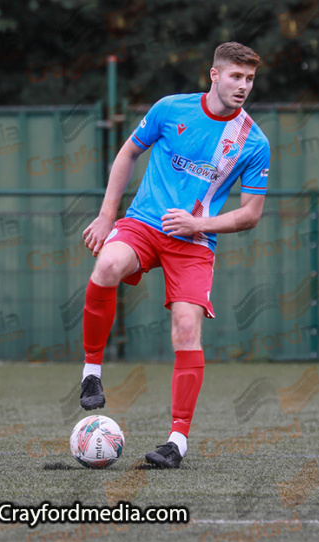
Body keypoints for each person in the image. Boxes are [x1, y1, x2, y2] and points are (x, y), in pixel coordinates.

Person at [78, 42, 271, 468]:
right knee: (107, 264)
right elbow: (129, 152)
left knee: (186, 330)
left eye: (250, 79)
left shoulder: (254, 142)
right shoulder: (170, 109)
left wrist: (198, 224)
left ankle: (177, 442)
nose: (243, 86)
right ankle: (91, 374)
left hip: (195, 241)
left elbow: (251, 214)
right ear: (214, 75)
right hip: (145, 222)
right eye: (236, 76)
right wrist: (107, 215)